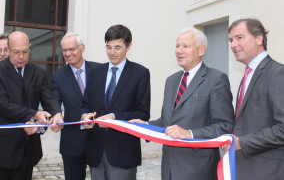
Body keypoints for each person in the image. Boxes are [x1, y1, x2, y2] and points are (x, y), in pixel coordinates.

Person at [130, 28, 234, 180]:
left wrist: (189, 134)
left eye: (185, 46)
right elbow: (167, 122)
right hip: (169, 168)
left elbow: (224, 125)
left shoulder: (216, 79)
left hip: (199, 170)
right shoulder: (171, 81)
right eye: (177, 46)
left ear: (201, 50)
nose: (179, 51)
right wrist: (145, 125)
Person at [0, 31, 64, 180]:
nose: (21, 57)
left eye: (25, 52)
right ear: (8, 50)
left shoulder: (38, 73)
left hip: (27, 151)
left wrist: (57, 113)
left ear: (30, 48)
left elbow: (48, 97)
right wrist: (35, 114)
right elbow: (2, 104)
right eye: (16, 52)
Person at [82, 24, 151, 180]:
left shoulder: (140, 73)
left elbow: (143, 113)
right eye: (108, 47)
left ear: (128, 46)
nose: (112, 52)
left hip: (123, 151)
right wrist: (84, 116)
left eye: (118, 47)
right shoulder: (95, 72)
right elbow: (86, 104)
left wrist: (114, 117)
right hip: (96, 151)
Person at [224, 18, 284, 180]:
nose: (233, 45)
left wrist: (242, 142)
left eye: (240, 38)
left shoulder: (277, 73)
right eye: (231, 40)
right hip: (244, 167)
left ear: (259, 39)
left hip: (267, 171)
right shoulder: (248, 74)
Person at [51, 32, 100, 180]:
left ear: (82, 48)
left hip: (98, 138)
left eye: (72, 49)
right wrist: (56, 114)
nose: (68, 53)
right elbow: (54, 101)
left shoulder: (99, 70)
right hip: (72, 141)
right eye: (64, 50)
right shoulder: (58, 76)